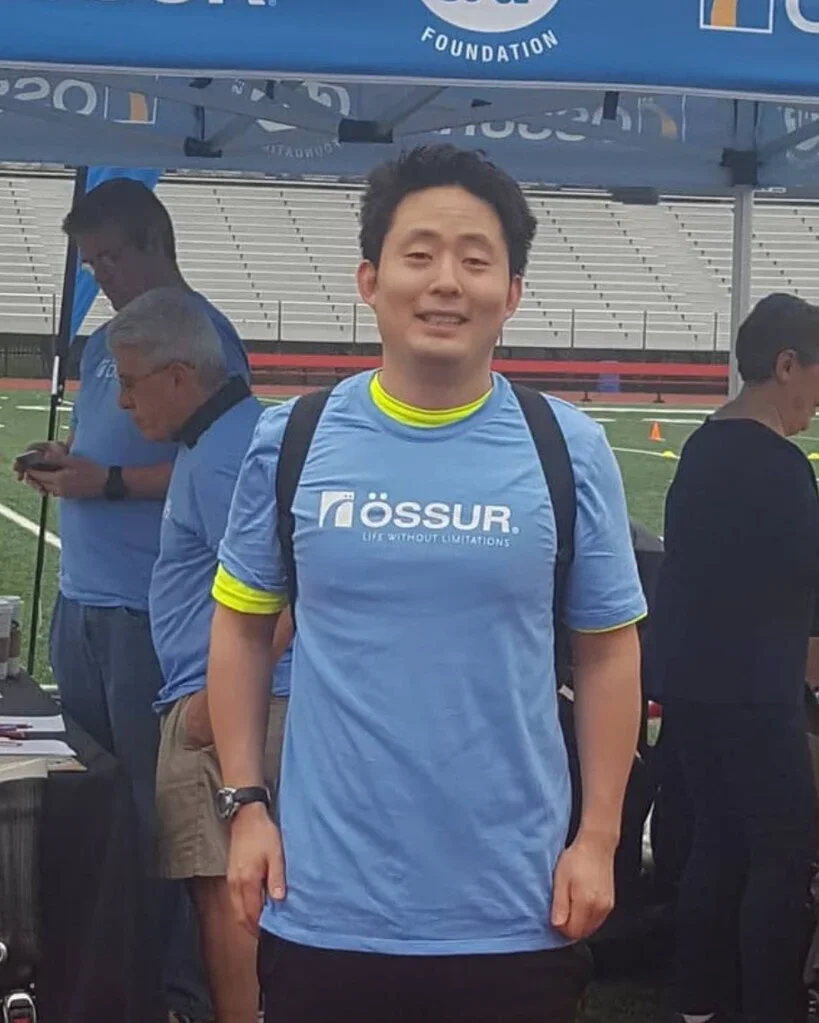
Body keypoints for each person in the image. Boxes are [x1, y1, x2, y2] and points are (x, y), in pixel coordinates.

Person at [206, 144, 647, 1023]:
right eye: (419, 254)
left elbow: (607, 653)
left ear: (510, 294)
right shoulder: (291, 439)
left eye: (475, 260)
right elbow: (243, 628)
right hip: (327, 904)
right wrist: (246, 803)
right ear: (369, 280)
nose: (446, 281)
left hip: (516, 909)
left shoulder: (568, 449)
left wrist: (597, 838)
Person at [15, 178, 250, 1023]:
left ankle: (178, 990)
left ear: (156, 240)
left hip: (149, 613)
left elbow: (199, 452)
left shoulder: (199, 333)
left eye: (113, 255)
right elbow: (110, 438)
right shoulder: (105, 340)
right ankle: (112, 969)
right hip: (84, 598)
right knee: (100, 808)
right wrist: (68, 458)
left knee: (163, 821)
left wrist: (104, 480)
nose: (104, 274)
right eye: (92, 261)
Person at [107, 287, 291, 1023]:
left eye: (129, 382)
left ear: (180, 377)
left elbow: (280, 594)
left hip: (232, 709)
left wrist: (211, 713)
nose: (122, 403)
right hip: (240, 702)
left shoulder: (224, 455)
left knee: (228, 900)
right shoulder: (230, 438)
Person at [651, 292, 819, 1023]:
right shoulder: (781, 469)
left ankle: (698, 1001)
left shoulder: (700, 446)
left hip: (692, 684)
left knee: (717, 838)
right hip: (757, 688)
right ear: (785, 365)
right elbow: (802, 599)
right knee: (781, 852)